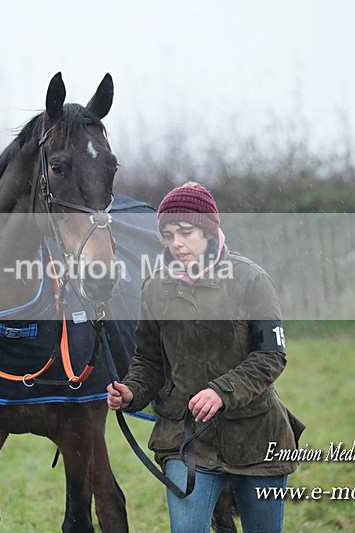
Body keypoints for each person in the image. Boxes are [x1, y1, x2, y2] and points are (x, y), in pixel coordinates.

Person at [107, 182, 304, 533]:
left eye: (185, 232)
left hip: (257, 439)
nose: (176, 243)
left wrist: (220, 392)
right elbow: (149, 360)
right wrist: (132, 391)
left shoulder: (251, 280)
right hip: (186, 441)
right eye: (167, 234)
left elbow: (271, 356)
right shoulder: (155, 287)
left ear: (209, 231)